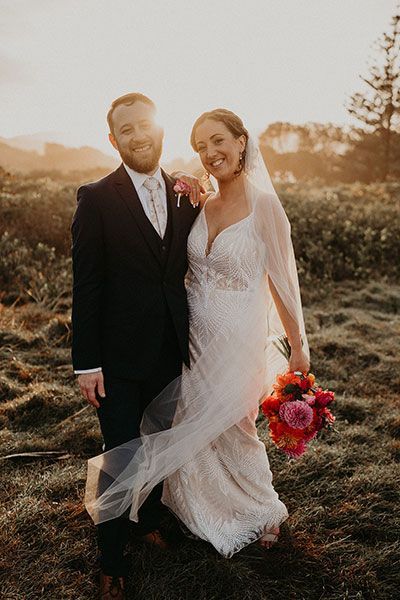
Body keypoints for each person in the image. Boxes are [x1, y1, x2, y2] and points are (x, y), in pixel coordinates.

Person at [85, 108, 310, 572]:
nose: (211, 154)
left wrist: (299, 346)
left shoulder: (264, 206)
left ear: (241, 141)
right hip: (189, 334)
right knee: (189, 415)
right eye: (201, 146)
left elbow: (282, 283)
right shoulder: (200, 202)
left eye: (218, 142)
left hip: (237, 336)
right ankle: (196, 504)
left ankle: (256, 506)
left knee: (234, 425)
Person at [71, 92, 203, 600]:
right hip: (117, 360)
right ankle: (111, 561)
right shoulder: (97, 197)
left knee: (158, 448)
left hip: (171, 350)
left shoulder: (184, 191)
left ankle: (149, 518)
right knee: (119, 456)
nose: (138, 135)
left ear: (159, 126)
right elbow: (88, 285)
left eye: (144, 124)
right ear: (113, 140)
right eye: (126, 130)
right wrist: (87, 363)